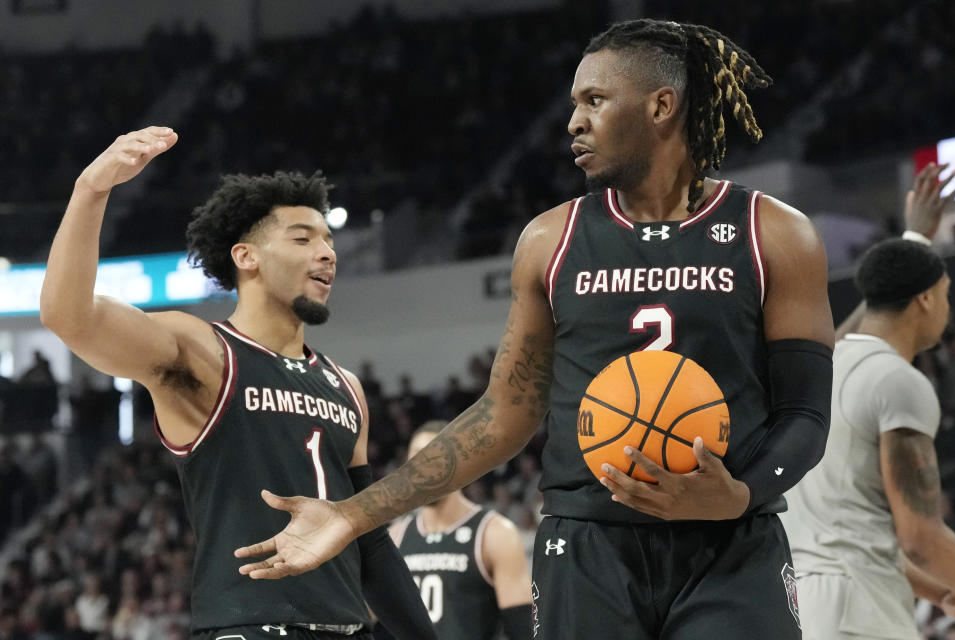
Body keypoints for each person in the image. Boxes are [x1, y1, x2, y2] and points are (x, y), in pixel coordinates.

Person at [235, 19, 834, 639]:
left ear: (662, 106)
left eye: (593, 101)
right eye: (574, 104)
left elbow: (806, 415)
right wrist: (352, 515)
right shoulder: (550, 240)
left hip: (732, 543)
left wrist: (739, 494)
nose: (573, 122)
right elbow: (504, 414)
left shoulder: (775, 234)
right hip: (587, 545)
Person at [39, 127, 436, 640]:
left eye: (329, 240)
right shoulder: (202, 351)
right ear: (246, 256)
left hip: (350, 628)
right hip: (248, 627)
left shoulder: (347, 387)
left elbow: (372, 545)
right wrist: (91, 190)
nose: (327, 253)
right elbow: (68, 315)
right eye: (303, 238)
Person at [782, 166, 955, 639]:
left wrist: (942, 591)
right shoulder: (897, 381)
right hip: (861, 618)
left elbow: (858, 538)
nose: (948, 306)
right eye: (944, 295)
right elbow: (921, 537)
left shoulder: (824, 370)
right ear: (924, 300)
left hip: (807, 607)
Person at [380, 420, 532, 640]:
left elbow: (522, 628)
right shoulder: (396, 535)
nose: (423, 465)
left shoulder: (494, 533)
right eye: (416, 456)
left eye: (434, 456)